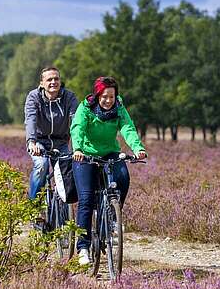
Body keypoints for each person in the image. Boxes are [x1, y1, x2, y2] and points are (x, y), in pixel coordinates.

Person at [70, 76, 147, 266]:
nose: (108, 100)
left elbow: (128, 128)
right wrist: (77, 149)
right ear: (97, 95)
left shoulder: (119, 108)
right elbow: (77, 128)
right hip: (85, 155)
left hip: (110, 152)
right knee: (86, 199)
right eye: (104, 96)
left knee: (122, 176)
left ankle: (113, 217)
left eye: (111, 96)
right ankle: (83, 248)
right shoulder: (85, 108)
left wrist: (137, 149)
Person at [24, 66, 79, 202]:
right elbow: (30, 119)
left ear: (60, 81)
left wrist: (78, 146)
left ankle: (64, 212)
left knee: (67, 172)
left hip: (61, 142)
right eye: (49, 79)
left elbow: (76, 122)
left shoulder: (69, 97)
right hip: (39, 142)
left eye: (56, 79)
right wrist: (32, 141)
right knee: (42, 166)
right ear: (42, 83)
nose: (53, 82)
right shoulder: (34, 97)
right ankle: (34, 207)